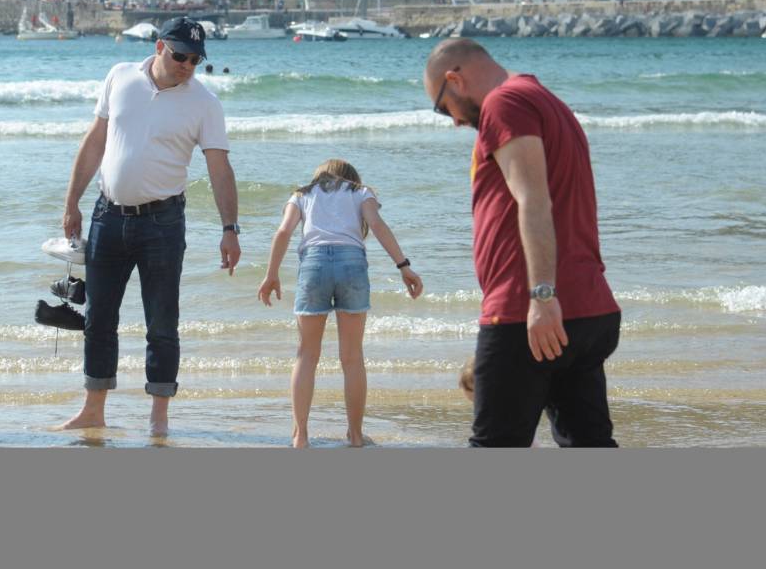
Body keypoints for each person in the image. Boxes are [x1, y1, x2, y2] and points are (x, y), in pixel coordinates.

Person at [423, 38, 620, 447]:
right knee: (590, 444)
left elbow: (534, 199)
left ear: (454, 79)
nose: (455, 122)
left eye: (443, 108)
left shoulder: (504, 103)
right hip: (584, 308)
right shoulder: (545, 100)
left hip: (527, 311)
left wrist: (542, 296)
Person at [58, 17, 240, 437]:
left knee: (161, 322)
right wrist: (71, 202)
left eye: (195, 59)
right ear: (160, 47)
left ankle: (158, 417)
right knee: (98, 318)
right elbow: (95, 142)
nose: (188, 65)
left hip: (163, 222)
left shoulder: (205, 103)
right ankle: (93, 409)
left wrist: (230, 228)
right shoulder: (119, 76)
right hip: (107, 216)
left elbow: (219, 168)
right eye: (180, 55)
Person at [257, 159, 423, 448]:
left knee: (306, 355)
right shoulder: (360, 192)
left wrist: (271, 275)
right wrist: (403, 266)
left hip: (314, 264)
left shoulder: (303, 194)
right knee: (352, 357)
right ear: (351, 177)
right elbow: (377, 224)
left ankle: (301, 436)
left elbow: (283, 232)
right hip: (351, 264)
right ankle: (356, 436)